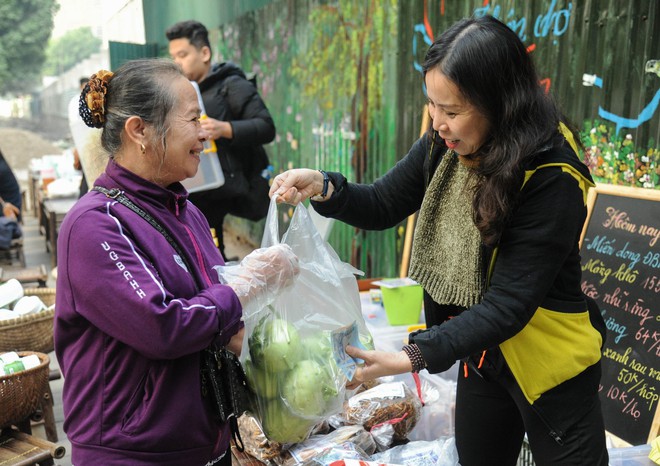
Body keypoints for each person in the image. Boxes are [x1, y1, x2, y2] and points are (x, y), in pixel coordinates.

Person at [270, 15, 608, 466]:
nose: (439, 122)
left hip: (548, 365)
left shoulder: (550, 174)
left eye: (452, 111)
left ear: (500, 104)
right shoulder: (444, 145)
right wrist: (326, 187)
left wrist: (412, 355)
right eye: (433, 105)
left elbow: (508, 305)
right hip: (482, 356)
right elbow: (384, 202)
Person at [54, 59, 299, 466]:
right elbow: (163, 327)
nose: (205, 132)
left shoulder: (186, 210)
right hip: (133, 455)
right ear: (140, 131)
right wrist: (246, 286)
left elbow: (215, 315)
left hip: (206, 445)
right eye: (192, 119)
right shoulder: (94, 226)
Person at [166, 19, 276, 260]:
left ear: (204, 53)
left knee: (213, 252)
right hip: (198, 188)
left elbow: (266, 127)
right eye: (173, 56)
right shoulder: (181, 93)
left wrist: (223, 128)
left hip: (230, 186)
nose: (177, 62)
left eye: (182, 54)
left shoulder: (231, 84)